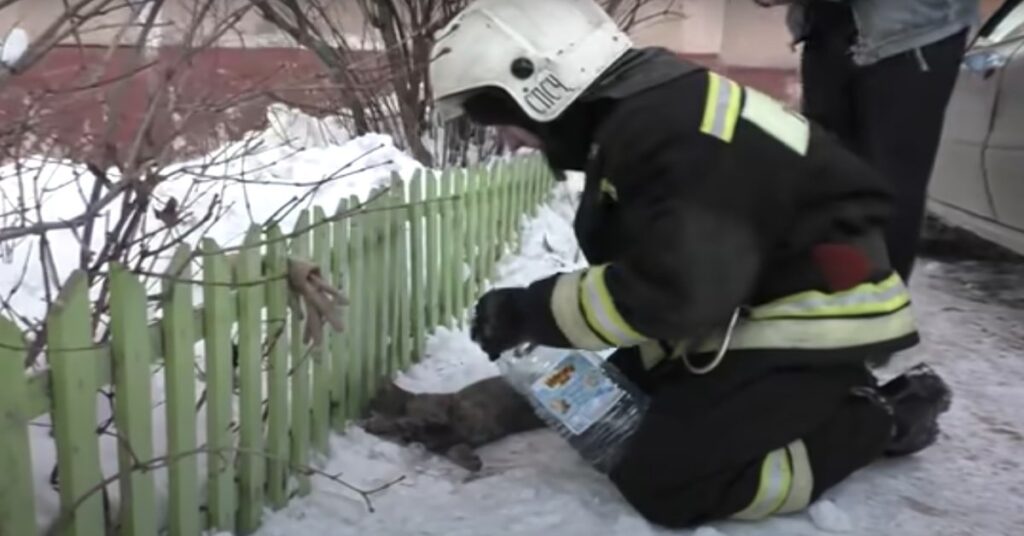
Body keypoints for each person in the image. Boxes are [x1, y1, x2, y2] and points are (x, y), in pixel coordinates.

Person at [429, 0, 953, 528]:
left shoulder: (668, 131)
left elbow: (675, 294)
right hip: (754, 303)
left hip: (814, 324)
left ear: (539, 86)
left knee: (667, 479)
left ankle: (873, 417)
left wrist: (530, 311)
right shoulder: (650, 115)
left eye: (497, 119)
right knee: (621, 401)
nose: (505, 140)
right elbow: (670, 267)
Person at [755, 0, 978, 282]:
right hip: (826, 27)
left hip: (908, 33)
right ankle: (830, 301)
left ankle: (879, 310)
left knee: (889, 182)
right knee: (826, 179)